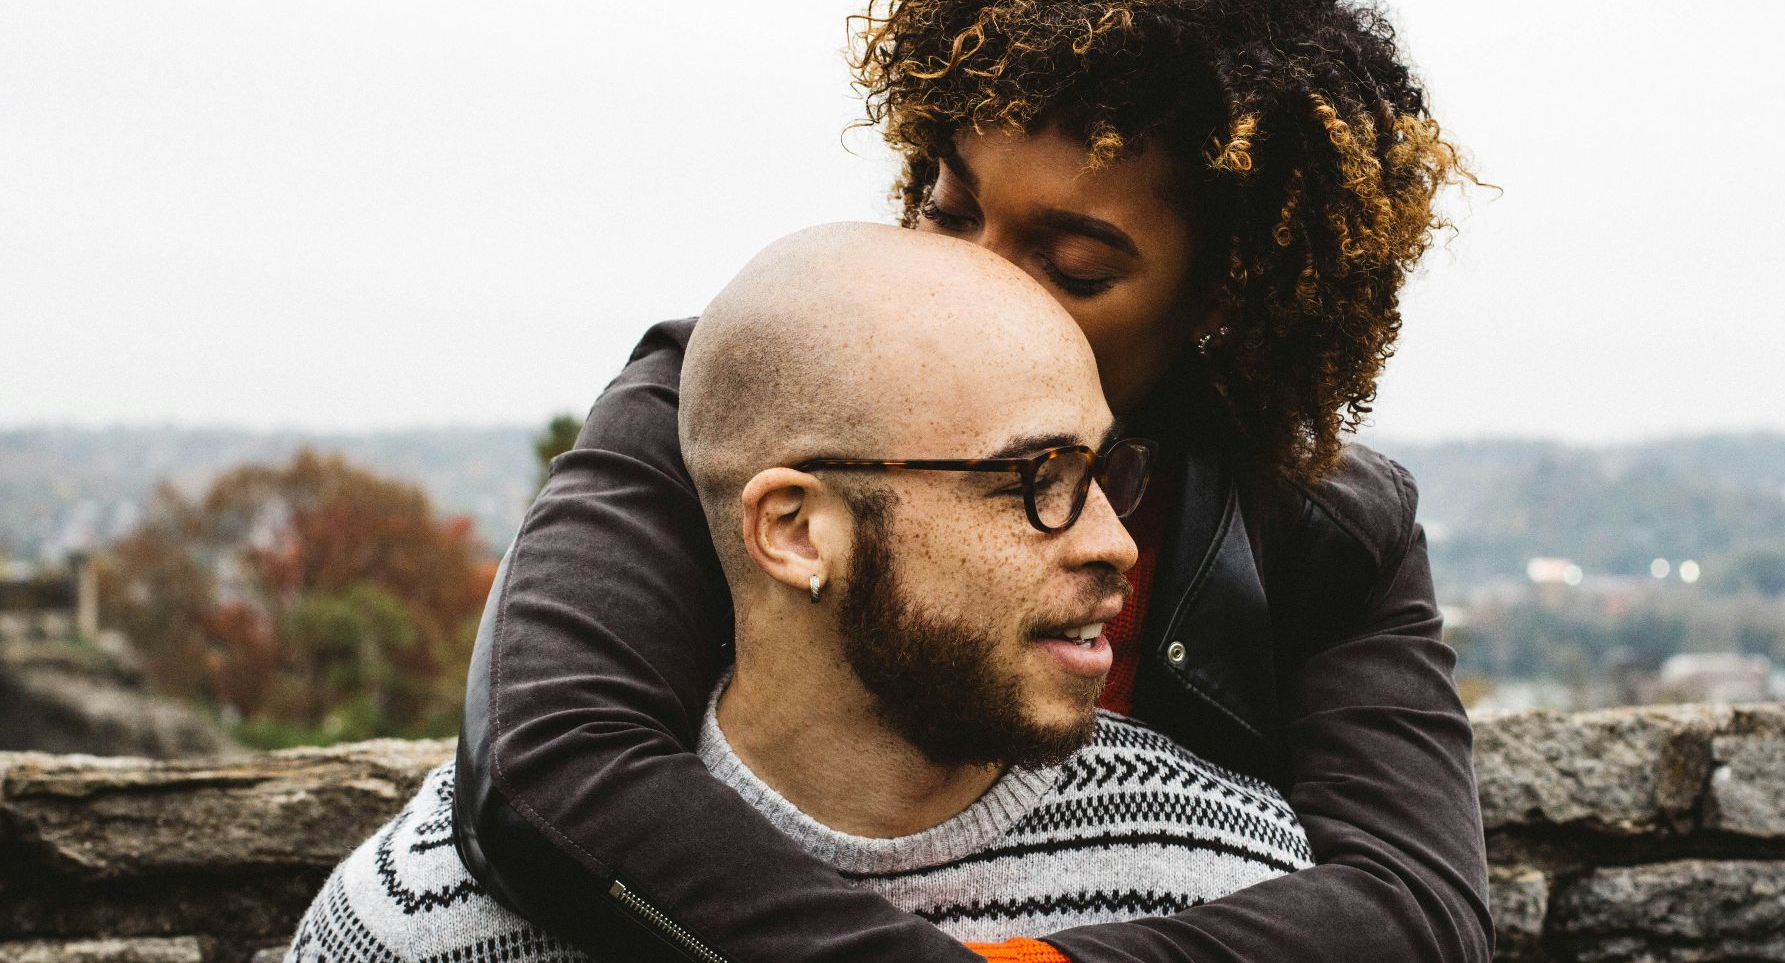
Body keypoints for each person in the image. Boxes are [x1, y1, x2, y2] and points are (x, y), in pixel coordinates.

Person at [454, 0, 1491, 962]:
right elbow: (547, 767)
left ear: (1221, 300)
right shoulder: (730, 398)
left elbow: (1415, 909)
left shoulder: (1327, 528)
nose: (973, 278)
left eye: (1073, 265)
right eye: (948, 211)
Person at [290, 226, 1313, 962]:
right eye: (1030, 481)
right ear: (794, 531)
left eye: (1101, 474)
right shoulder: (427, 922)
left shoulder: (1227, 875)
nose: (1114, 543)